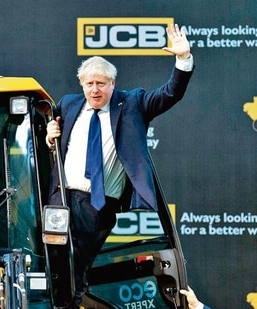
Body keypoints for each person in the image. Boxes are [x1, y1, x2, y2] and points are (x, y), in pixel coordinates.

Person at [45, 23, 194, 307]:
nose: (95, 89)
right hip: (60, 199)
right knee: (51, 270)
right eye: (89, 83)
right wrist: (50, 136)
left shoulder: (133, 103)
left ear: (113, 84)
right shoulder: (67, 104)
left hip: (97, 205)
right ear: (81, 85)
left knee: (76, 273)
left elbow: (170, 94)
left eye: (101, 83)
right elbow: (49, 144)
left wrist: (183, 59)